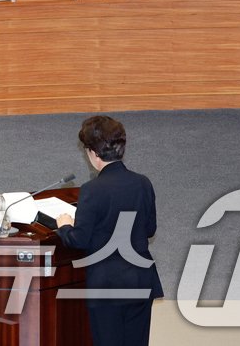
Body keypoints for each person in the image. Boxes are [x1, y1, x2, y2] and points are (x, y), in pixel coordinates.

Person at [53, 116, 163, 346]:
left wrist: (64, 225)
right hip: (140, 281)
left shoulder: (92, 190)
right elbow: (150, 229)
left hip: (107, 287)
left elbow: (79, 239)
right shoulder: (143, 182)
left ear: (93, 153)